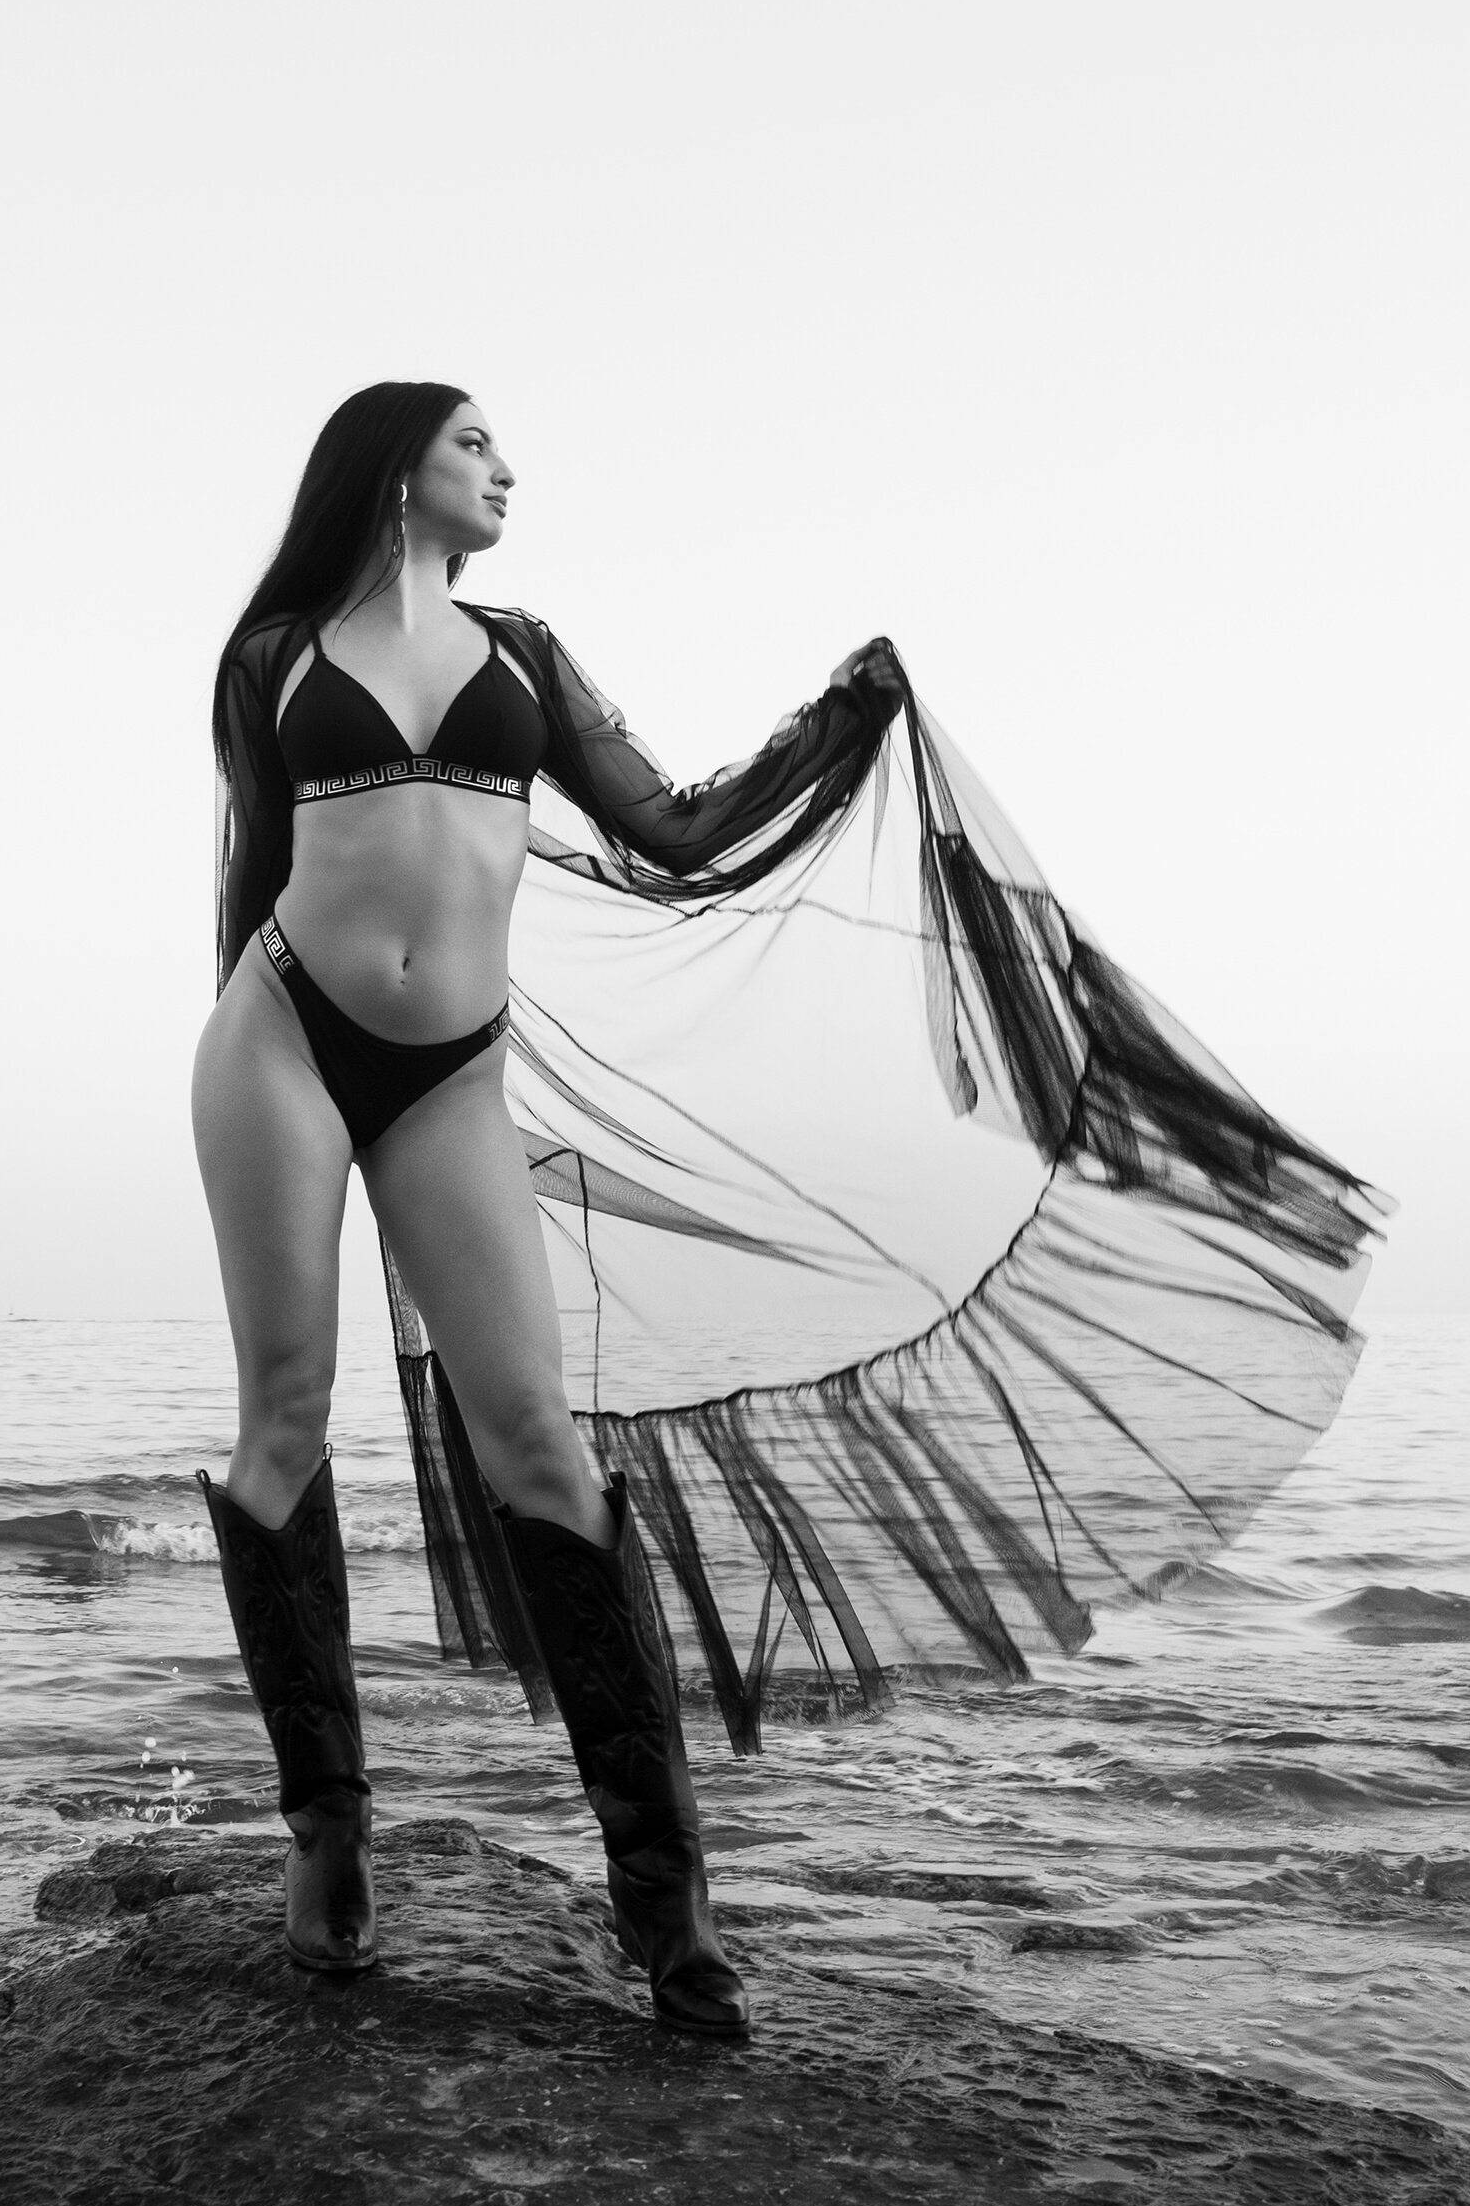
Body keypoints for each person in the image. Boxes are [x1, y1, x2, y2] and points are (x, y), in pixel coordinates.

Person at [197, 381, 1383, 2036]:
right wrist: (252, 1063)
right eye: (477, 444)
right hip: (280, 1041)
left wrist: (839, 723)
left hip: (453, 1071)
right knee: (284, 1418)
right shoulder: (273, 658)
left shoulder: (525, 655)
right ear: (396, 467)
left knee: (537, 1441)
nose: (508, 469)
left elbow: (679, 829)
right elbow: (255, 871)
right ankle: (327, 1836)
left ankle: (665, 1907)